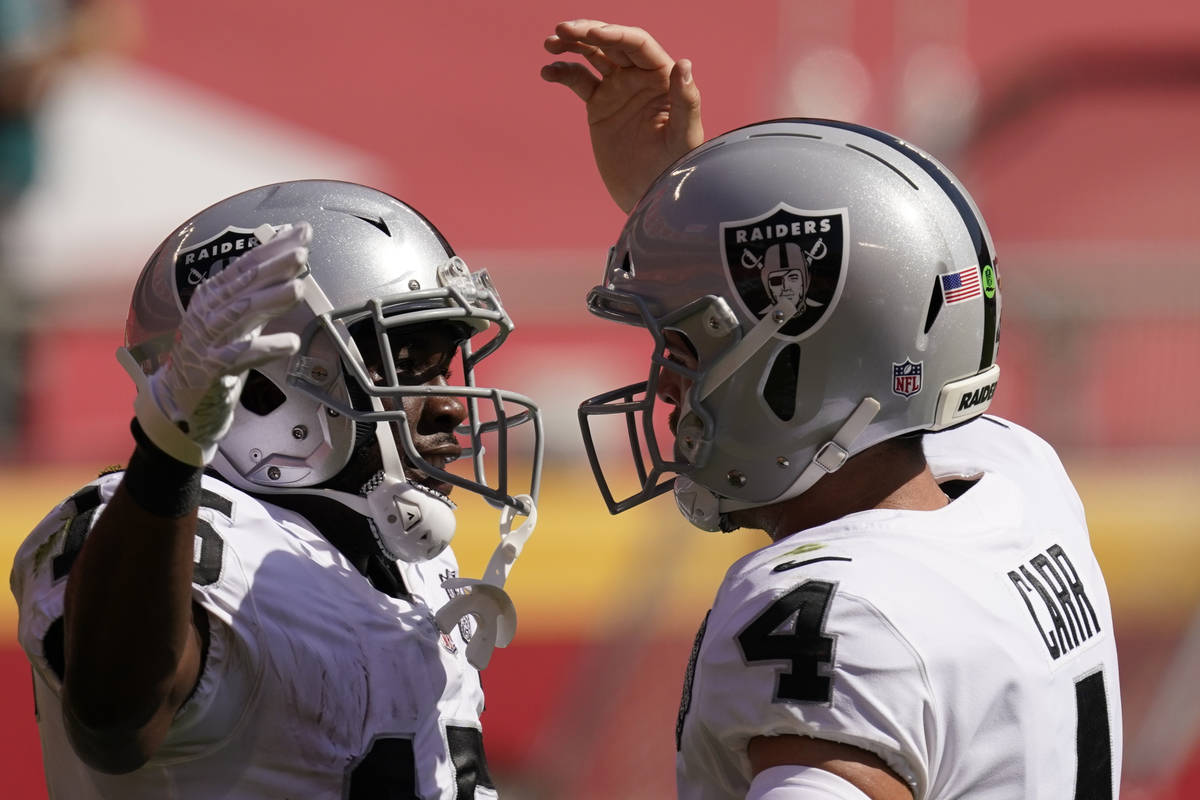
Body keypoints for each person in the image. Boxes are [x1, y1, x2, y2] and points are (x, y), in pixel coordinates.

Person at [543, 20, 1121, 800]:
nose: (668, 384)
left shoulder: (832, 621)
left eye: (685, 347)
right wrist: (686, 204)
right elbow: (868, 322)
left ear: (803, 362)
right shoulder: (1016, 474)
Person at [10, 179, 543, 798]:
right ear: (266, 386)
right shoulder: (151, 528)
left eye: (444, 363)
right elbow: (115, 719)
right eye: (405, 360)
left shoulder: (396, 553)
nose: (452, 404)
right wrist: (169, 455)